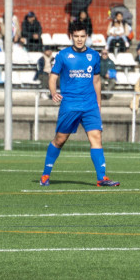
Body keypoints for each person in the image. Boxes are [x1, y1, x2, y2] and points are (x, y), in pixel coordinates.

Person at [39, 20, 119, 187]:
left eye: (82, 36)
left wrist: (98, 103)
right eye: (76, 36)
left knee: (96, 137)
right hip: (70, 104)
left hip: (90, 104)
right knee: (60, 140)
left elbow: (96, 81)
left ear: (87, 37)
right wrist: (53, 93)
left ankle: (101, 178)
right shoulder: (62, 56)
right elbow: (52, 78)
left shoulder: (94, 56)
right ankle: (46, 175)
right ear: (71, 36)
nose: (80, 39)